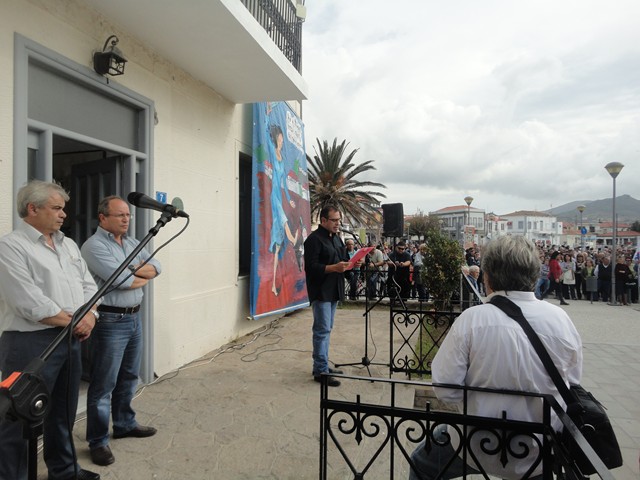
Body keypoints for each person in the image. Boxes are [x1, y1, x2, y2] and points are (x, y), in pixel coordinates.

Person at [409, 235, 582, 480]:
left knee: (422, 462)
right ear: (534, 275)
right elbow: (572, 379)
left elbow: (446, 388)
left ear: (487, 276)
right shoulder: (560, 319)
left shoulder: (472, 320)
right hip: (538, 447)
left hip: (475, 442)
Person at [0, 180, 101, 480]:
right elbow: (27, 300)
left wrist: (91, 315)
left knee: (63, 411)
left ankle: (64, 470)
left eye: (63, 208)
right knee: (19, 416)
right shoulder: (10, 246)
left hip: (70, 338)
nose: (63, 214)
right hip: (29, 342)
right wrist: (75, 321)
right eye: (56, 208)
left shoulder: (68, 245)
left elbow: (89, 285)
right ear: (32, 209)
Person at [81, 196, 161, 466]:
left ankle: (125, 424)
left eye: (128, 215)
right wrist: (138, 275)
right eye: (120, 215)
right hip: (110, 321)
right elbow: (122, 281)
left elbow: (157, 266)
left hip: (134, 318)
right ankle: (98, 441)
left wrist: (134, 271)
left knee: (128, 376)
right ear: (103, 218)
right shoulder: (93, 246)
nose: (126, 219)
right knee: (104, 384)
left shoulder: (131, 242)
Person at [304, 205, 352, 387]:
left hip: (334, 290)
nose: (338, 223)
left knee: (327, 329)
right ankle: (320, 371)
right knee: (322, 330)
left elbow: (343, 260)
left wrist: (352, 264)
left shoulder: (337, 238)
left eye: (339, 220)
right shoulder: (313, 240)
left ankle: (322, 365)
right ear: (323, 220)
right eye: (334, 220)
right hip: (321, 291)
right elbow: (311, 267)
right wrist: (334, 268)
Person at [266, 120, 300, 296]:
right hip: (274, 197)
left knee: (278, 246)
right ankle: (293, 239)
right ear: (276, 137)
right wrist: (267, 117)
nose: (282, 140)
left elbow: (284, 184)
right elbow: (266, 134)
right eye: (280, 137)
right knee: (284, 218)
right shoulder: (272, 151)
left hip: (280, 195)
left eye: (282, 137)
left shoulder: (283, 158)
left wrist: (289, 199)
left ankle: (273, 285)